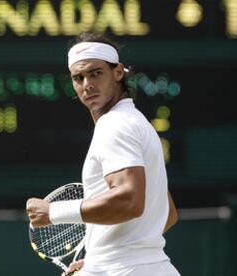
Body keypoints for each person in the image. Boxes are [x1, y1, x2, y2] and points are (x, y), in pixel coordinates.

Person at [26, 32, 180, 276]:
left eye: (96, 73)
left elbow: (129, 200)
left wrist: (53, 213)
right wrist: (102, 255)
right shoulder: (137, 122)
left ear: (118, 72)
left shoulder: (114, 125)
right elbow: (167, 212)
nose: (87, 84)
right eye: (79, 78)